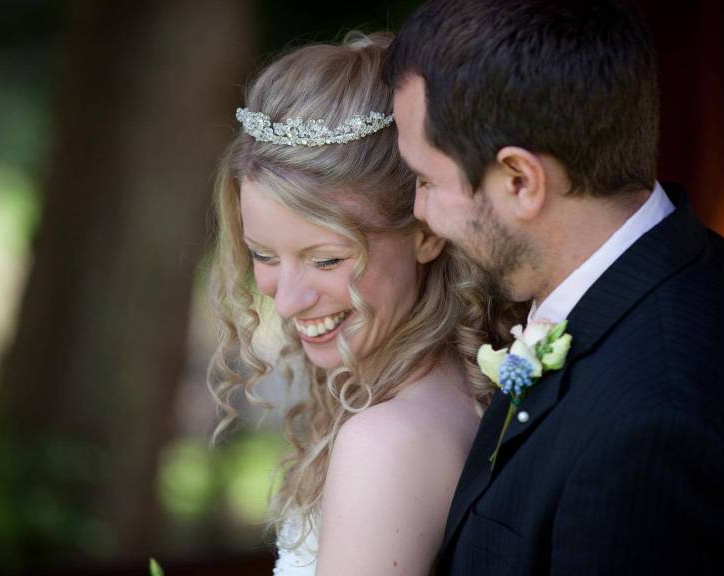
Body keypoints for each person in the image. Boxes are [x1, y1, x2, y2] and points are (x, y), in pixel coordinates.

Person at [384, 0, 724, 573]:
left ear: (521, 180)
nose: (420, 212)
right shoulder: (704, 280)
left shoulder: (654, 429)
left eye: (426, 180)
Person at [207, 32, 516, 575]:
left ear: (426, 231)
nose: (289, 302)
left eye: (326, 259)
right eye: (263, 255)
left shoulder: (387, 443)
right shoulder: (442, 389)